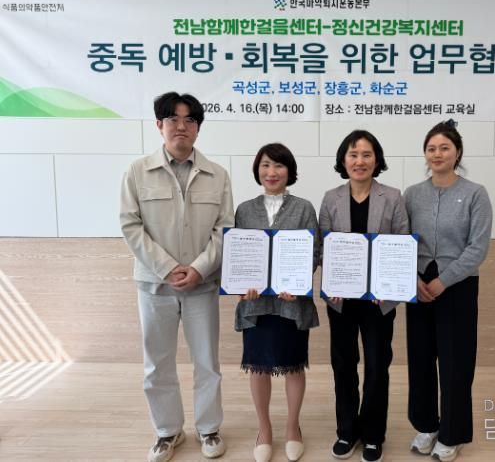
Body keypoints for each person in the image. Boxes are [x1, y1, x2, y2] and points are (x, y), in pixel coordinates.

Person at [120, 92, 233, 462]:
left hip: (202, 285)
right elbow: (130, 225)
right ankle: (167, 432)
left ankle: (209, 428)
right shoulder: (137, 171)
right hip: (155, 285)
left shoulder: (217, 175)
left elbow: (224, 229)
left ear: (198, 128)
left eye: (189, 120)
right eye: (173, 119)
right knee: (157, 363)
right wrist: (167, 267)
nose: (181, 126)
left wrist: (199, 268)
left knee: (207, 362)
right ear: (159, 125)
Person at [403, 119, 492, 461]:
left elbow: (478, 247)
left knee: (456, 362)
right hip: (418, 285)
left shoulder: (475, 193)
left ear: (457, 152)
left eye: (444, 148)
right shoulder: (412, 194)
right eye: (431, 148)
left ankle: (452, 433)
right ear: (424, 154)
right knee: (420, 358)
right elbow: (402, 240)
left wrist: (444, 280)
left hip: (458, 287)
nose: (437, 154)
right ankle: (426, 426)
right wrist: (413, 278)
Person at [319, 130, 409, 462]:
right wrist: (331, 278)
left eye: (367, 154)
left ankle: (373, 434)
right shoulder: (331, 198)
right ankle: (347, 431)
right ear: (343, 160)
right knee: (343, 365)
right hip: (341, 300)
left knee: (376, 366)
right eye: (353, 154)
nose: (360, 161)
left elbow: (402, 245)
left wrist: (388, 285)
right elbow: (324, 248)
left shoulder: (393, 197)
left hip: (378, 302)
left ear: (376, 159)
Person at [234, 143, 319, 462]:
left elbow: (314, 251)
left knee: (293, 365)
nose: (272, 172)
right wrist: (241, 284)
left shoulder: (304, 208)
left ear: (290, 171)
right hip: (256, 304)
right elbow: (238, 253)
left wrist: (298, 283)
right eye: (266, 165)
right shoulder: (244, 209)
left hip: (291, 303)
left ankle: (293, 427)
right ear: (257, 169)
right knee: (258, 367)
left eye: (279, 165)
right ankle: (264, 429)